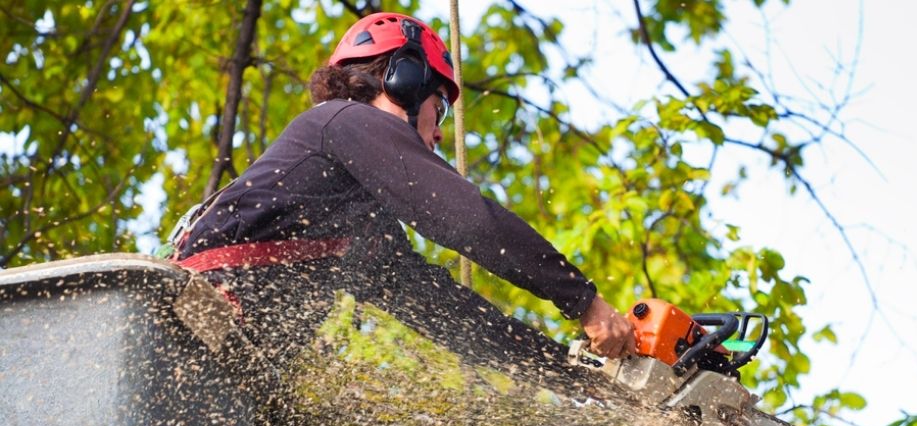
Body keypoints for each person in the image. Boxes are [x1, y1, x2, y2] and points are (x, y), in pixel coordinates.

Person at [171, 12, 636, 378]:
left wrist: (573, 372)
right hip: (192, 323)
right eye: (441, 106)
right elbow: (469, 220)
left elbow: (448, 313)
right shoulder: (343, 121)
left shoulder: (358, 225)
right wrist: (584, 301)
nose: (438, 134)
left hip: (220, 358)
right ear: (404, 80)